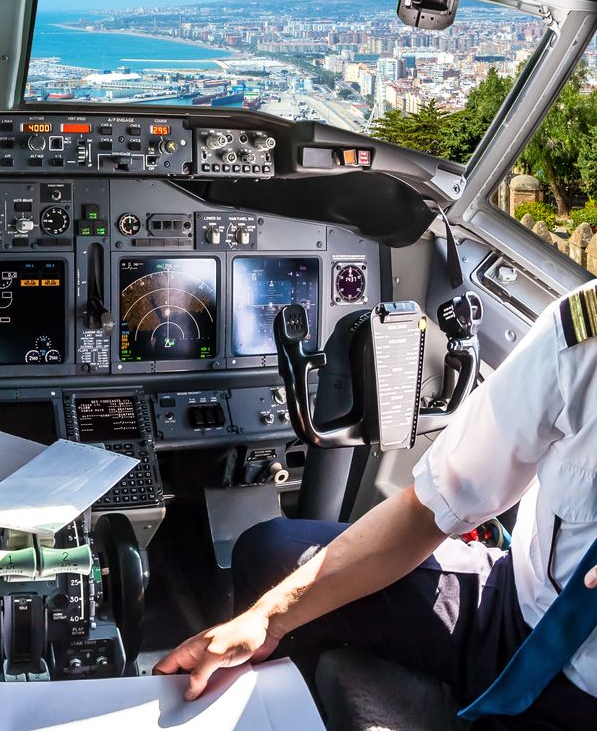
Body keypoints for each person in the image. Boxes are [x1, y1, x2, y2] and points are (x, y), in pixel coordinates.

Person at [154, 281, 597, 728]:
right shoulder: (580, 341)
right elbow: (429, 508)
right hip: (513, 608)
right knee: (272, 554)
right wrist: (266, 620)